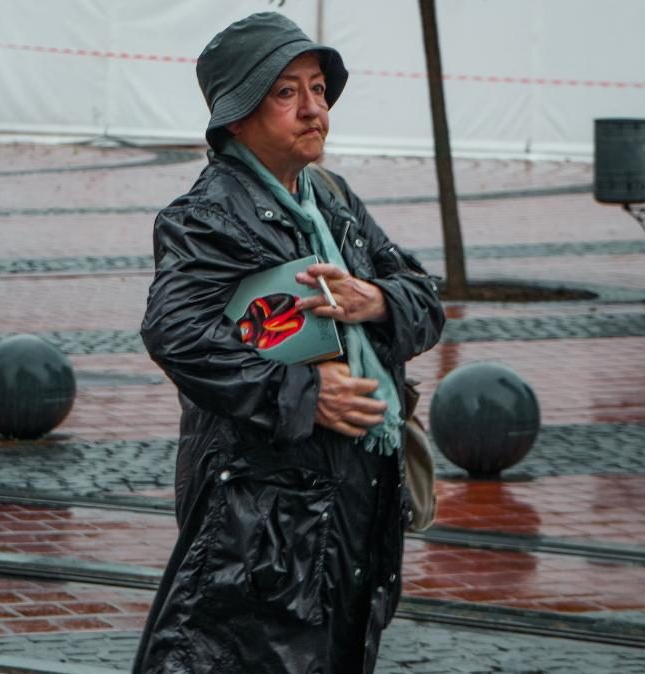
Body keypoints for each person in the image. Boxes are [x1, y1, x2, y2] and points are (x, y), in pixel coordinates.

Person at [135, 12, 445, 674]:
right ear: (237, 117)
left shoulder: (329, 198)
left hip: (353, 499)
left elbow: (423, 295)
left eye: (318, 89)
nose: (314, 110)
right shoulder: (209, 215)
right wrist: (304, 393)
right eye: (287, 93)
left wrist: (379, 301)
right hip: (261, 514)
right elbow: (175, 331)